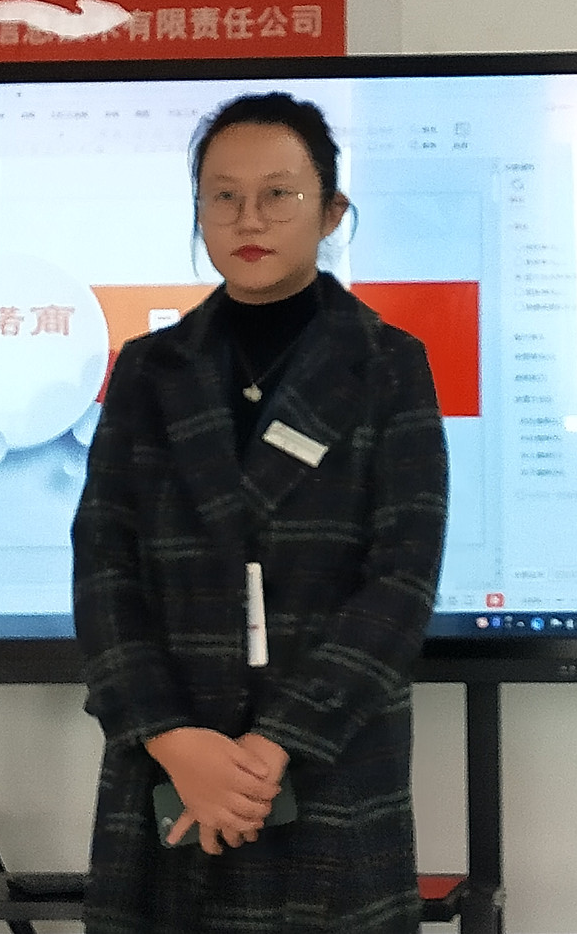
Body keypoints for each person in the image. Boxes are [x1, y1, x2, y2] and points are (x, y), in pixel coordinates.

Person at [73, 92, 449, 934]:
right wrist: (173, 739)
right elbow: (102, 567)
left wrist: (269, 751)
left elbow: (401, 584)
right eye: (223, 195)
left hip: (326, 767)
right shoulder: (148, 369)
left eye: (278, 193)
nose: (249, 218)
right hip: (169, 771)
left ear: (331, 212)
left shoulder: (389, 364)